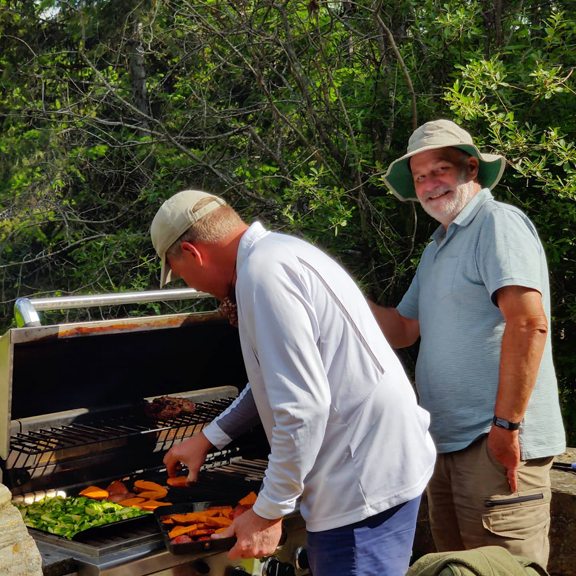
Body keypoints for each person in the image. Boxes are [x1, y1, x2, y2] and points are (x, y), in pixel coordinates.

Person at [150, 190, 436, 576]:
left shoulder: (262, 277)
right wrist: (209, 437)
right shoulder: (282, 252)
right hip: (383, 464)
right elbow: (278, 381)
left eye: (180, 271)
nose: (193, 285)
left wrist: (268, 512)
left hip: (357, 488)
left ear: (192, 251)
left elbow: (302, 408)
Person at [370, 119, 566, 567]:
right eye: (419, 178)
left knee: (504, 570)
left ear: (470, 169)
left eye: (438, 171)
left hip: (495, 444)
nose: (428, 185)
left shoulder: (498, 223)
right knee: (454, 571)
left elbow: (528, 324)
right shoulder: (436, 247)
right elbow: (402, 328)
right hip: (446, 444)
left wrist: (507, 427)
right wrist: (337, 292)